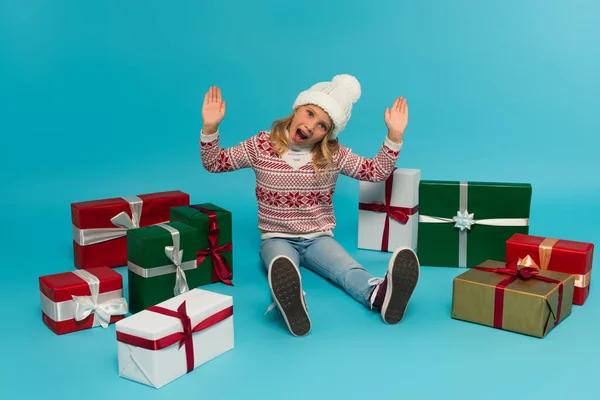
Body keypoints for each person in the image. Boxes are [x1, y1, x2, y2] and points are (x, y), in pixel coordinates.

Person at [199, 74, 419, 337]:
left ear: (328, 133)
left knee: (347, 269)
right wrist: (210, 127)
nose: (311, 125)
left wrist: (394, 135)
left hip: (318, 239)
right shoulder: (259, 145)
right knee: (281, 265)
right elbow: (215, 163)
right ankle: (293, 302)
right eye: (310, 113)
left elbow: (375, 172)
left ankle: (379, 295)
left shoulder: (334, 155)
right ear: (297, 108)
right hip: (276, 237)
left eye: (323, 125)